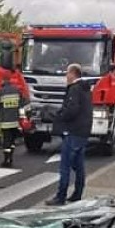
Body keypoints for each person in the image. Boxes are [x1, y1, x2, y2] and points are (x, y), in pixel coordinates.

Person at [46, 63, 93, 205]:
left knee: (65, 166)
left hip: (73, 131)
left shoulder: (74, 89)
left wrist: (58, 116)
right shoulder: (86, 89)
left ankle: (60, 197)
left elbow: (72, 110)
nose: (66, 77)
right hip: (84, 131)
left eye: (67, 73)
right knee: (79, 166)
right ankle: (77, 194)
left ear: (73, 74)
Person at [0, 77, 28, 168]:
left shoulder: (0, 92)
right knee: (12, 141)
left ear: (3, 82)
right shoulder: (17, 91)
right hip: (16, 122)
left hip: (5, 122)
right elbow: (23, 105)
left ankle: (6, 160)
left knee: (6, 141)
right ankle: (11, 157)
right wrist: (23, 118)